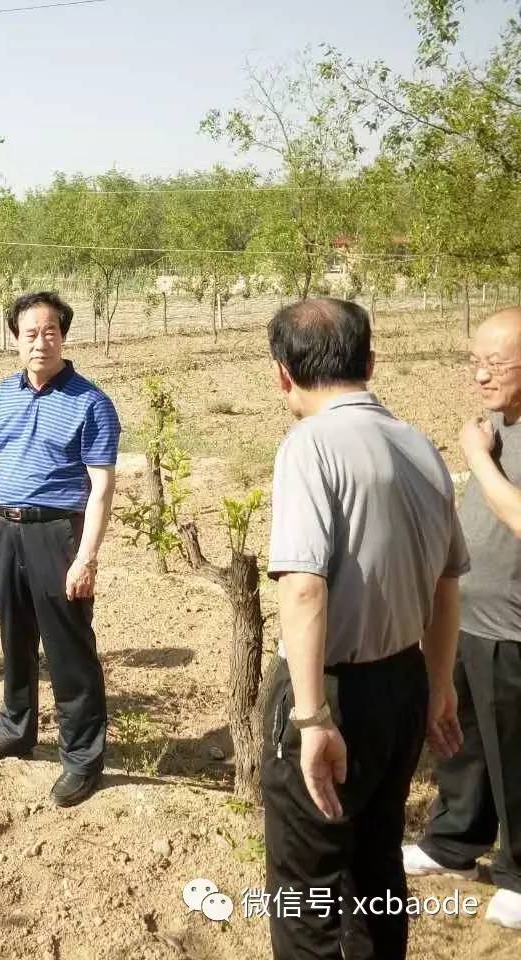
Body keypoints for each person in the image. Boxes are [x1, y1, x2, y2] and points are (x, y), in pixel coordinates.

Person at [262, 297, 468, 960]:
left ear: (282, 375)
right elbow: (446, 580)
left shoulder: (309, 446)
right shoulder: (419, 446)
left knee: (308, 889)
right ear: (370, 362)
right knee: (376, 864)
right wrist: (438, 685)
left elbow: (302, 585)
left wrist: (313, 717)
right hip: (402, 683)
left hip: (333, 690)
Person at [0, 290, 120, 809]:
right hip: (6, 530)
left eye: (49, 331)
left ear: (64, 335)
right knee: (15, 637)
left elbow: (101, 486)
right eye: (29, 333)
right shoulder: (2, 396)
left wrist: (86, 556)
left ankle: (81, 758)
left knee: (68, 647)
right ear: (14, 339)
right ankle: (16, 731)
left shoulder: (90, 402)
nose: (40, 342)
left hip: (58, 532)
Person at [404, 306, 521, 932]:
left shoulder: (493, 437)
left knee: (514, 752)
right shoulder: (501, 420)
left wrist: (477, 457)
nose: (479, 376)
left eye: (494, 365)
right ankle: (453, 839)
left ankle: (519, 871)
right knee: (463, 740)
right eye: (473, 361)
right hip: (471, 615)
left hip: (514, 626)